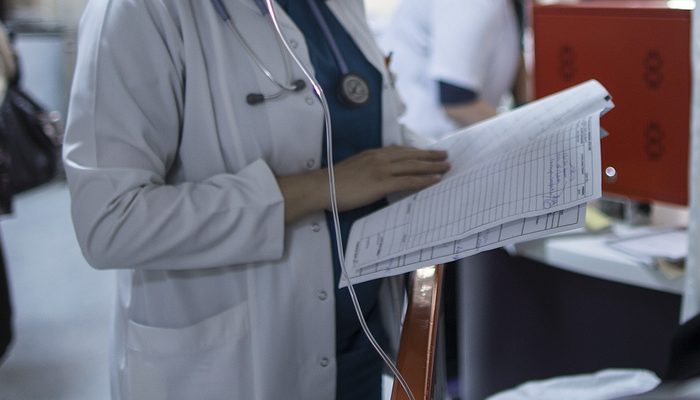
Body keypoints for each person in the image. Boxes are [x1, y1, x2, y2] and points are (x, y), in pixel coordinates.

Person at [63, 1, 449, 399]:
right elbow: (111, 222)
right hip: (231, 364)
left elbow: (366, 123)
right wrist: (321, 187)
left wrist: (450, 161)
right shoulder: (139, 10)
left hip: (357, 347)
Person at [380, 0, 528, 140]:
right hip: (430, 137)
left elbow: (515, 50)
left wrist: (526, 109)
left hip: (463, 132)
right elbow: (456, 102)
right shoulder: (467, 4)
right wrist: (525, 136)